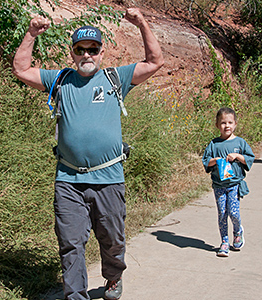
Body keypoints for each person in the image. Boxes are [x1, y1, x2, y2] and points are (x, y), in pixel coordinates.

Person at [12, 7, 164, 300]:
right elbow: (20, 69)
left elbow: (155, 61)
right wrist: (31, 33)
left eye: (92, 49)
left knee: (112, 240)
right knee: (71, 242)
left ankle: (113, 276)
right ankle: (75, 296)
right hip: (68, 179)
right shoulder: (60, 80)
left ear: (101, 52)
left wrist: (142, 22)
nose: (86, 55)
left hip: (109, 178)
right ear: (73, 53)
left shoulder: (114, 79)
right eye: (80, 50)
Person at [202, 107, 255, 257]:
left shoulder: (240, 142)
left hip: (234, 185)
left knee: (233, 212)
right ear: (217, 125)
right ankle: (224, 242)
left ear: (235, 124)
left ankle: (238, 231)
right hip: (219, 185)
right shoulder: (214, 144)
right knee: (222, 214)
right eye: (223, 123)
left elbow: (249, 159)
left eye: (230, 122)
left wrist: (237, 156)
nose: (227, 126)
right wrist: (215, 160)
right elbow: (206, 161)